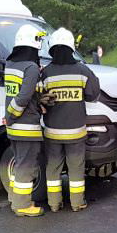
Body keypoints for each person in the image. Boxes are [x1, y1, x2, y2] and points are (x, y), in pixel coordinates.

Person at [41, 27, 100, 212]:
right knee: (76, 168)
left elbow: (38, 98)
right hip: (76, 131)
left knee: (53, 168)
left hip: (52, 132)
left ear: (51, 48)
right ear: (71, 47)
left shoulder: (46, 72)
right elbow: (93, 95)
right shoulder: (82, 70)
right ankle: (77, 203)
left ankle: (54, 204)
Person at [5, 24, 47, 217]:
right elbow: (23, 97)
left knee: (18, 162)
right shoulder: (30, 67)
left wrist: (9, 118)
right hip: (26, 125)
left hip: (13, 128)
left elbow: (15, 94)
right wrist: (12, 115)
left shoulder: (11, 64)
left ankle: (15, 199)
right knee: (26, 165)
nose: (40, 45)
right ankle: (22, 205)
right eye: (38, 40)